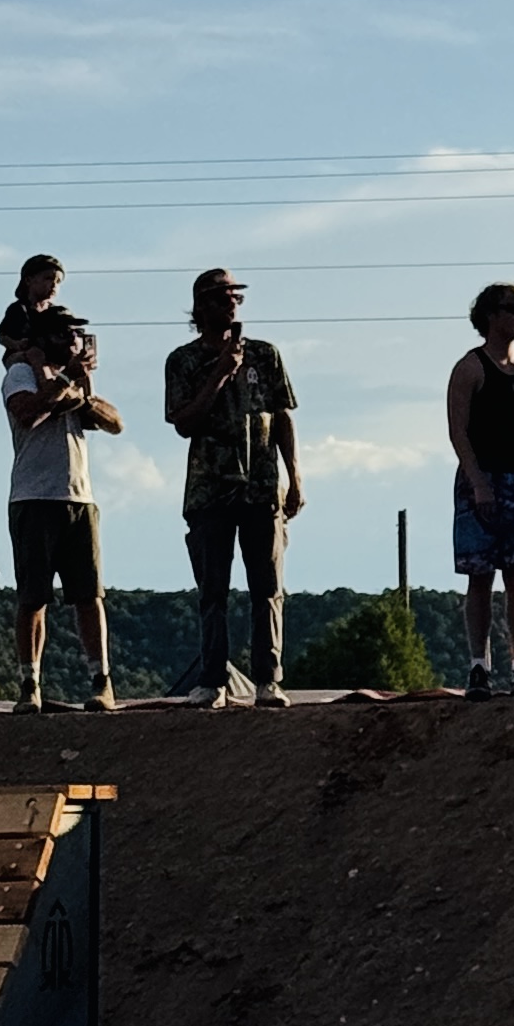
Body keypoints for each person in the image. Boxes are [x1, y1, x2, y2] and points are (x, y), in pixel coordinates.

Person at [164, 268, 301, 708]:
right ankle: (212, 679)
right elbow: (184, 422)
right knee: (213, 590)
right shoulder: (183, 361)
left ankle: (268, 679)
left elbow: (282, 415)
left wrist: (294, 475)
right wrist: (220, 373)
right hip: (210, 488)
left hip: (261, 487)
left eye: (235, 297)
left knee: (267, 586)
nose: (231, 305)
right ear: (201, 306)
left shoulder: (265, 354)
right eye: (222, 298)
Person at [3, 292, 123, 711]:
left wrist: (80, 391)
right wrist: (62, 383)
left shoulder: (71, 381)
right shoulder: (20, 373)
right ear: (44, 336)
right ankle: (28, 685)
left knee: (89, 595)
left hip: (78, 497)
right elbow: (28, 413)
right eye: (64, 332)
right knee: (32, 597)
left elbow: (114, 422)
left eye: (76, 332)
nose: (73, 339)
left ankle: (100, 681)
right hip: (33, 497)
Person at [445, 284, 514, 698]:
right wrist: (477, 483)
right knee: (479, 576)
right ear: (491, 315)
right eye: (512, 309)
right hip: (483, 479)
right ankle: (478, 665)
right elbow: (458, 431)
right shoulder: (469, 368)